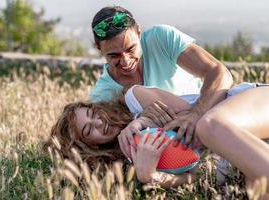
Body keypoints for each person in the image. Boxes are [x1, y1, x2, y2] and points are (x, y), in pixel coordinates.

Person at [45, 83, 269, 193]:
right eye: (88, 131)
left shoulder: (136, 99)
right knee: (258, 189)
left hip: (252, 107)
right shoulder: (127, 162)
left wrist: (143, 121)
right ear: (90, 147)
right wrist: (151, 176)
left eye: (93, 114)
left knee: (207, 127)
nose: (98, 123)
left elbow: (196, 116)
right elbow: (196, 176)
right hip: (250, 151)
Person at [89, 6, 233, 147]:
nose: (126, 61)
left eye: (131, 49)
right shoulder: (102, 96)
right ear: (98, 48)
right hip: (179, 150)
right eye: (114, 55)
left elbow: (219, 73)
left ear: (139, 32)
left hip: (218, 119)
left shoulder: (161, 38)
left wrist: (197, 114)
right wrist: (138, 118)